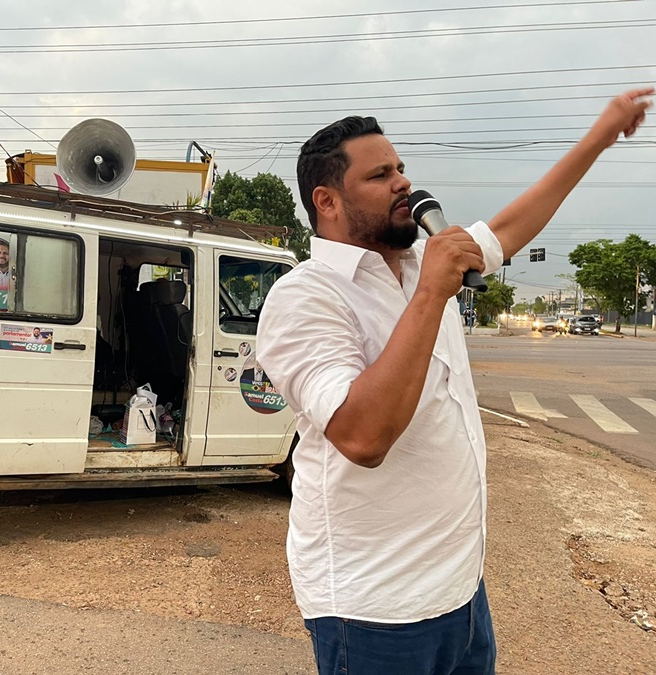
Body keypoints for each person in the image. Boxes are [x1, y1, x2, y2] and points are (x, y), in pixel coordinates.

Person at [256, 88, 652, 675]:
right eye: (380, 175)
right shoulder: (306, 297)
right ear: (327, 201)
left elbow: (512, 225)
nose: (404, 183)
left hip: (461, 592)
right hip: (374, 609)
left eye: (401, 168)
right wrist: (431, 292)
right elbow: (363, 436)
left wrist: (600, 135)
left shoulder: (426, 262)